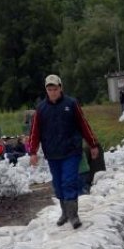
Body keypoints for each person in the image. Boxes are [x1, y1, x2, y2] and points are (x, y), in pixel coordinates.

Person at [29, 74, 100, 229]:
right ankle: (64, 212)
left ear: (60, 88)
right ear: (46, 90)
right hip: (53, 153)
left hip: (71, 151)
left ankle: (73, 215)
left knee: (69, 181)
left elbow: (83, 125)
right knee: (58, 184)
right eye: (49, 89)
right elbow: (34, 132)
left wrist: (93, 144)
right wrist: (32, 152)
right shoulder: (41, 109)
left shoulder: (71, 104)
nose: (52, 92)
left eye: (55, 89)